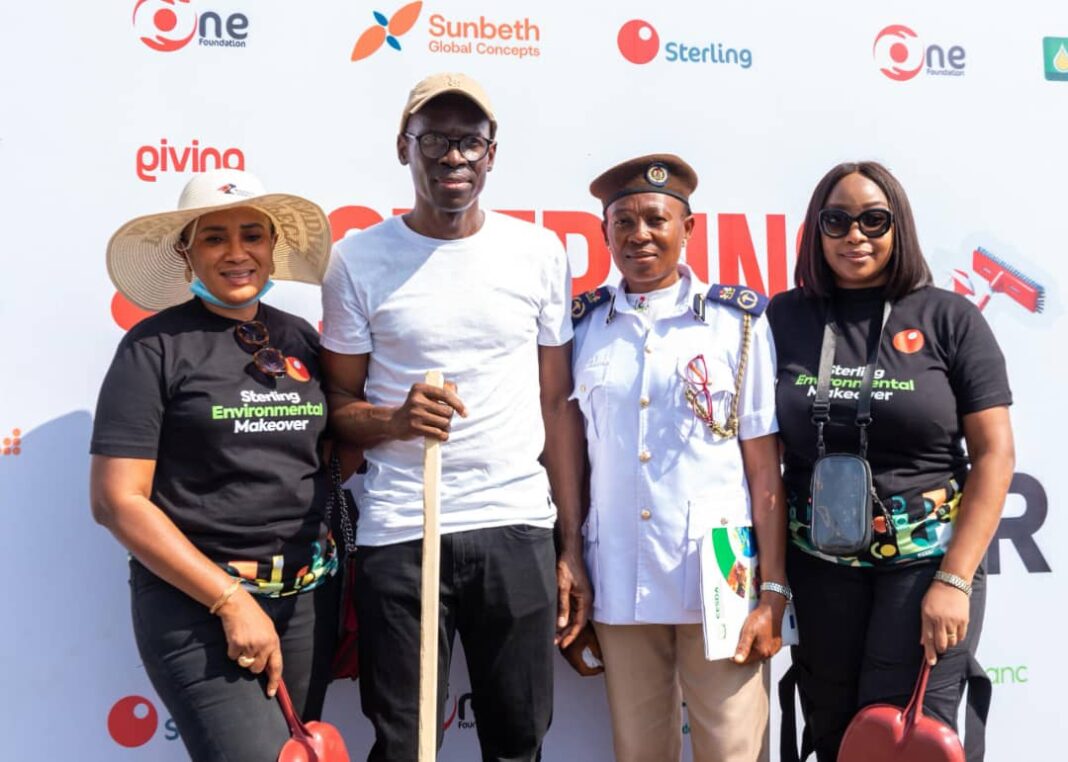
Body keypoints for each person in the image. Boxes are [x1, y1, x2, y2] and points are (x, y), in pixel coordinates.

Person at [320, 72, 590, 761]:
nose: (453, 158)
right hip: (404, 526)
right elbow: (340, 414)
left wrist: (567, 544)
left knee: (518, 739)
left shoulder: (538, 253)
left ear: (491, 154)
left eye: (469, 141)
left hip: (514, 523)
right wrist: (396, 421)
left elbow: (556, 406)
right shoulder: (356, 260)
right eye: (434, 139)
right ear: (404, 148)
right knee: (405, 743)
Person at [766, 161, 1015, 761]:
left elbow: (994, 455)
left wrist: (954, 580)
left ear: (897, 227)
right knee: (833, 735)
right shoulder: (782, 318)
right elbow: (756, 450)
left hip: (926, 568)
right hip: (819, 566)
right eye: (838, 220)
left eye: (874, 220)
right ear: (816, 230)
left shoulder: (949, 318)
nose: (856, 235)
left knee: (904, 737)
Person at [90, 169, 339, 762]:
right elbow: (116, 501)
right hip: (197, 604)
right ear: (187, 253)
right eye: (214, 238)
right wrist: (229, 600)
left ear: (273, 248)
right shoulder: (153, 346)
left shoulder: (301, 339)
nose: (236, 253)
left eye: (252, 235)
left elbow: (326, 453)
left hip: (306, 600)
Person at [569, 154, 789, 762]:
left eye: (656, 220)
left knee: (733, 750)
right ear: (605, 233)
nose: (640, 234)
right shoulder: (583, 327)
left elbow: (764, 470)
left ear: (688, 228)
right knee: (638, 752)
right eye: (624, 222)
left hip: (720, 578)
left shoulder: (736, 324)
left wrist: (772, 591)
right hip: (618, 575)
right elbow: (572, 464)